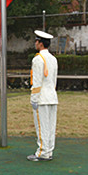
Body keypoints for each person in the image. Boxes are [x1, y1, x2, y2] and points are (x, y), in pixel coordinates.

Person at [27, 30, 58, 162]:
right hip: (52, 96)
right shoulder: (53, 58)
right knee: (50, 126)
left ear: (40, 44)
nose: (35, 43)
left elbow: (37, 81)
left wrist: (34, 98)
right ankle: (48, 150)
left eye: (36, 41)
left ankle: (42, 152)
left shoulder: (38, 59)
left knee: (42, 126)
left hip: (42, 98)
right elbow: (54, 79)